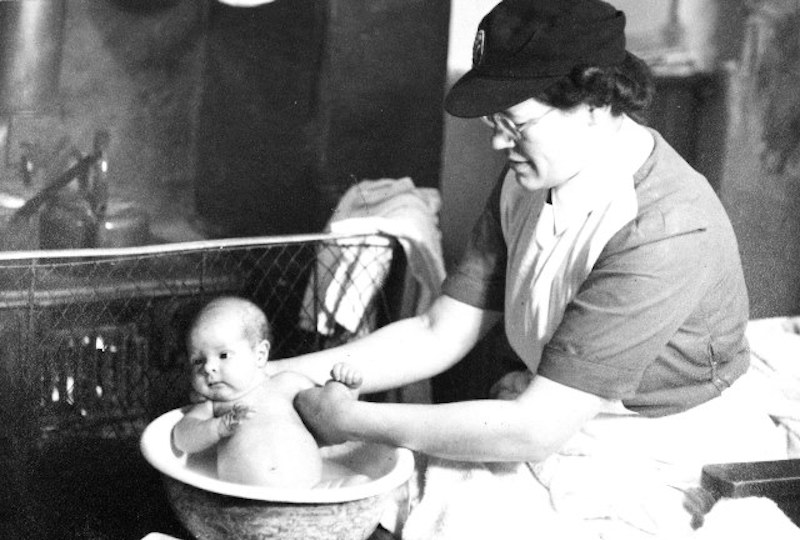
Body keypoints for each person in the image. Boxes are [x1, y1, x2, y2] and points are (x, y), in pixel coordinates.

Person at [269, 0, 788, 536]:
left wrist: (352, 420)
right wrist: (279, 378)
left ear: (595, 102)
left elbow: (536, 429)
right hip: (551, 418)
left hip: (659, 456)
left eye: (515, 122)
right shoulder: (532, 177)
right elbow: (438, 329)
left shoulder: (663, 228)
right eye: (495, 121)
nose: (498, 141)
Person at [171, 296, 363, 488]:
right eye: (198, 361)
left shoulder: (288, 383)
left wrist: (347, 387)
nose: (208, 368)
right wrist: (216, 428)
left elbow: (331, 413)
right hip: (247, 499)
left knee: (359, 485)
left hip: (310, 491)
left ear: (260, 355)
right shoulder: (215, 407)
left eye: (223, 355)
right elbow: (181, 438)